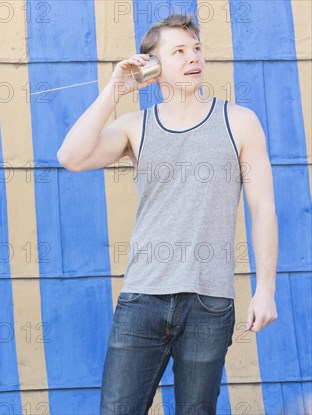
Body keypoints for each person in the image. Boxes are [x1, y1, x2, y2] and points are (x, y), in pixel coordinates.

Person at [57, 15, 278, 414]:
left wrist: (265, 289)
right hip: (142, 298)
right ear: (152, 66)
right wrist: (114, 89)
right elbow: (70, 157)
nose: (193, 58)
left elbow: (263, 208)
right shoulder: (135, 126)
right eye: (178, 51)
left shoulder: (240, 122)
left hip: (209, 302)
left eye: (196, 49)